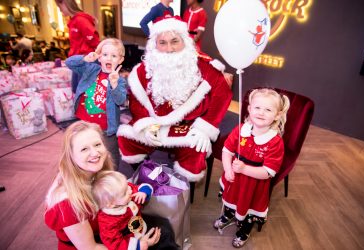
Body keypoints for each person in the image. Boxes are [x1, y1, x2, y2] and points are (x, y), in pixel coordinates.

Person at [117, 16, 233, 182]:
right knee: (127, 137)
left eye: (174, 41)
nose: (169, 48)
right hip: (155, 124)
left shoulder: (204, 66)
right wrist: (147, 124)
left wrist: (205, 128)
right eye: (162, 42)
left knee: (196, 149)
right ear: (154, 45)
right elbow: (136, 100)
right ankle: (145, 175)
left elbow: (222, 95)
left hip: (189, 126)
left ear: (184, 41)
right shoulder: (143, 69)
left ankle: (181, 186)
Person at [213, 88, 290, 248]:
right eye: (257, 108)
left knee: (247, 210)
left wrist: (244, 169)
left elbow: (268, 172)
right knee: (230, 200)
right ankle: (227, 215)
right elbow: (227, 151)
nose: (261, 113)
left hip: (253, 186)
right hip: (234, 178)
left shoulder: (275, 142)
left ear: (277, 115)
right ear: (249, 109)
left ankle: (244, 231)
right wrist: (228, 169)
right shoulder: (241, 129)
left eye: (268, 109)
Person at [44, 121, 113, 249]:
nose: (95, 153)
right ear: (71, 156)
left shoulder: (93, 171)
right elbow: (90, 248)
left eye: (97, 144)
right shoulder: (67, 204)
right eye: (84, 149)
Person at [65, 38, 127, 170]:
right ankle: (88, 173)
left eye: (114, 55)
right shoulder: (90, 69)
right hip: (85, 124)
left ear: (120, 60)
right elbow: (69, 63)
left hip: (106, 128)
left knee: (111, 155)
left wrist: (114, 84)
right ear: (99, 57)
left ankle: (111, 178)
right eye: (105, 55)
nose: (108, 58)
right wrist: (84, 59)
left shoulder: (119, 80)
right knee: (85, 152)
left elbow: (121, 100)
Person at [92, 171, 178, 250]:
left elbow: (142, 187)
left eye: (127, 186)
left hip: (141, 226)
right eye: (125, 193)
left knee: (165, 228)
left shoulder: (126, 191)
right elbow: (114, 244)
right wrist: (137, 246)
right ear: (111, 204)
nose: (130, 190)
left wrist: (143, 192)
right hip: (130, 242)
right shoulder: (107, 221)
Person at [54, 0, 100, 93]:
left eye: (59, 7)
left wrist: (89, 58)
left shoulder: (80, 20)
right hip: (78, 61)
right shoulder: (73, 20)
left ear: (65, 3)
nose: (60, 10)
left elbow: (94, 41)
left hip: (85, 62)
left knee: (83, 93)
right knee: (76, 91)